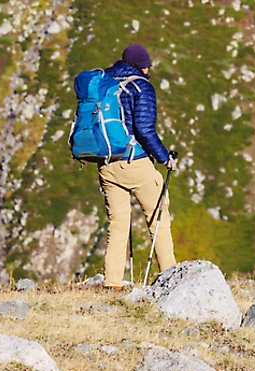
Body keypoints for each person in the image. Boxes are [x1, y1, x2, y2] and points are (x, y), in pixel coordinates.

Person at [99, 44, 177, 290]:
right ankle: (172, 279)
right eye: (147, 65)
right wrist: (165, 157)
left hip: (106, 161)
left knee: (118, 222)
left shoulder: (104, 82)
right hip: (134, 161)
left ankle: (112, 284)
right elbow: (144, 129)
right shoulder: (141, 86)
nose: (148, 69)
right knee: (158, 218)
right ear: (139, 65)